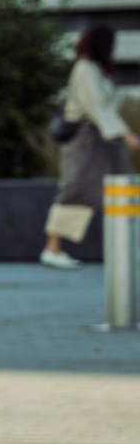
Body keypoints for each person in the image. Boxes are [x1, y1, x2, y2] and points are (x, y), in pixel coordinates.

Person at [43, 24, 140, 269]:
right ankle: (52, 248)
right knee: (77, 190)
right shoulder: (85, 69)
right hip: (86, 139)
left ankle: (132, 246)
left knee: (126, 183)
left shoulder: (97, 69)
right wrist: (127, 135)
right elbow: (97, 107)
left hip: (105, 138)